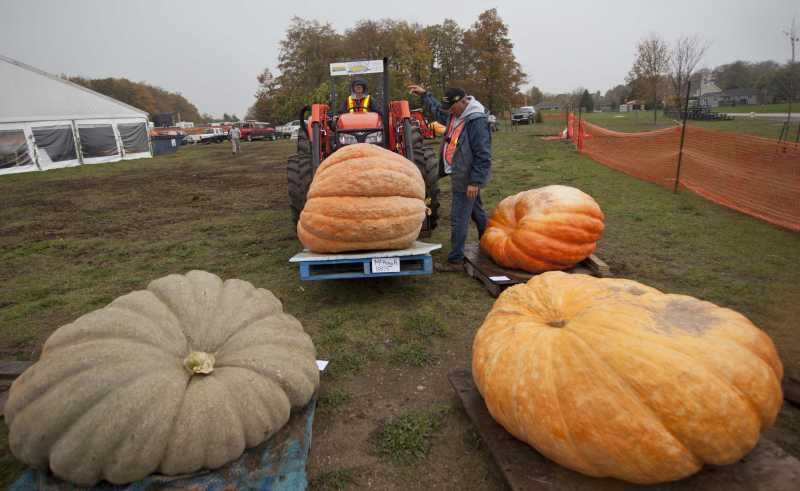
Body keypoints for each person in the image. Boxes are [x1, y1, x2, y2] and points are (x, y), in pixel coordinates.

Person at [407, 84, 491, 272]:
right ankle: (489, 242)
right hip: (458, 171)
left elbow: (483, 154)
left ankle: (455, 260)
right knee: (477, 212)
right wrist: (425, 95)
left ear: (463, 101)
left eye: (452, 108)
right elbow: (438, 110)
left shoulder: (476, 121)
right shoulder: (456, 114)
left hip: (466, 176)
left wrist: (475, 181)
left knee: (459, 217)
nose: (450, 112)